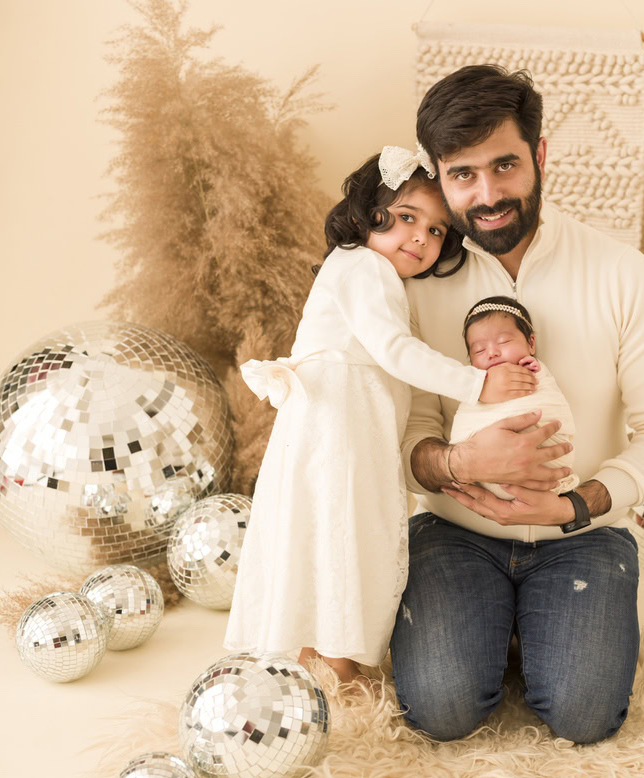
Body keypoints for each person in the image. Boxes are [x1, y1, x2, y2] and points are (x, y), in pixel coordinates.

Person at [390, 65, 644, 743]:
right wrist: (458, 460)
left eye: (504, 165)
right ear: (438, 177)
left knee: (584, 716)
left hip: (584, 538)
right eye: (463, 174)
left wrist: (572, 505)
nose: (488, 193)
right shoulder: (414, 284)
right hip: (454, 532)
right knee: (441, 711)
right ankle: (491, 624)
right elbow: (405, 431)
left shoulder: (622, 274)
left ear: (540, 154)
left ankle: (534, 624)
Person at [222, 146, 538, 685]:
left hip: (351, 423)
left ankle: (324, 653)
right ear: (368, 213)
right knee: (339, 532)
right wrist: (476, 383)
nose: (421, 238)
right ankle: (330, 659)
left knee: (333, 533)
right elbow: (394, 351)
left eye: (438, 230)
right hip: (336, 424)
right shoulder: (362, 266)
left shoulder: (383, 276)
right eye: (408, 218)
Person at [449, 295, 579, 501]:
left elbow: (547, 395)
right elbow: (465, 423)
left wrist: (535, 371)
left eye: (504, 341)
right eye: (479, 350)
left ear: (531, 343)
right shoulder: (472, 385)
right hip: (487, 477)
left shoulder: (534, 372)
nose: (491, 353)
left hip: (549, 471)